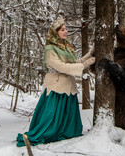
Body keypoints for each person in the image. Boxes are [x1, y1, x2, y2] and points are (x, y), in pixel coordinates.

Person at [16, 17, 95, 147]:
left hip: (68, 88)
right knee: (49, 121)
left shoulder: (66, 47)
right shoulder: (50, 49)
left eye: (66, 29)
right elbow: (61, 66)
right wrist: (88, 63)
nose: (66, 32)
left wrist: (91, 53)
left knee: (70, 128)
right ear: (55, 32)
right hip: (56, 88)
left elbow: (75, 63)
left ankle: (64, 133)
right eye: (62, 30)